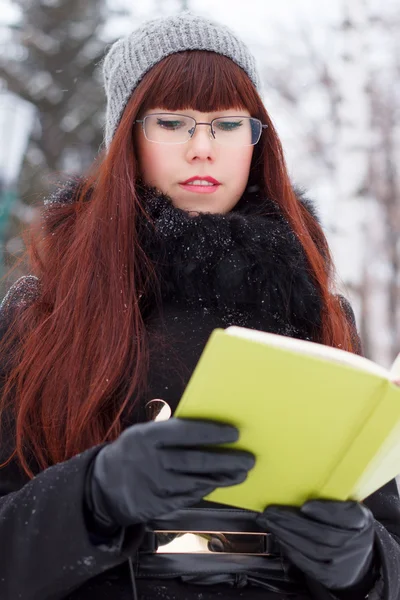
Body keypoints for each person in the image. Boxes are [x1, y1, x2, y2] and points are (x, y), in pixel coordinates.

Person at [0, 11, 399, 600]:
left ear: (256, 141)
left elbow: (387, 543)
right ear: (127, 137)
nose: (202, 149)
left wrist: (363, 563)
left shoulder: (320, 312)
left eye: (228, 124)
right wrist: (93, 495)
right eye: (173, 122)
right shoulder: (44, 310)